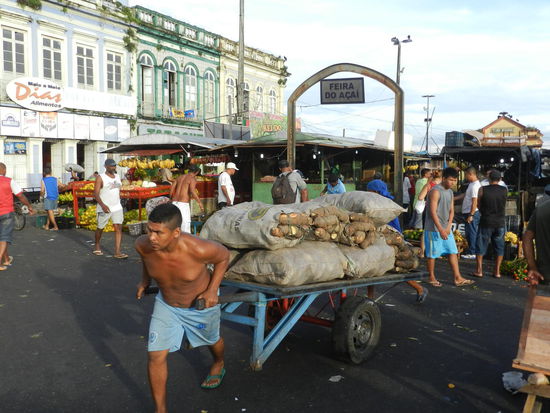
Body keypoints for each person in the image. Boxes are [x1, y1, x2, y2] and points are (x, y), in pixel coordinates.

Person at [135, 203, 230, 412]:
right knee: (155, 355)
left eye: (158, 233)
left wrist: (213, 290)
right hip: (166, 305)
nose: (152, 237)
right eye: (149, 230)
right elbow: (146, 260)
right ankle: (160, 410)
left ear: (176, 232)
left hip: (199, 305)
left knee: (212, 340)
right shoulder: (143, 245)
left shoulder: (198, 248)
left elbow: (223, 257)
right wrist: (145, 281)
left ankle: (219, 362)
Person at [367, 178, 428, 303]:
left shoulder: (386, 205)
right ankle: (370, 298)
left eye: (371, 191)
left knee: (397, 268)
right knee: (371, 270)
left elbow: (393, 228)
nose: (368, 193)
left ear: (378, 192)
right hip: (379, 239)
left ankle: (420, 288)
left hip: (392, 240)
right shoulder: (372, 204)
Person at [424, 167, 474, 287]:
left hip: (446, 228)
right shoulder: (435, 191)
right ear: (444, 178)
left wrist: (448, 226)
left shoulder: (450, 192)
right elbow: (432, 212)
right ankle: (431, 277)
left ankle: (458, 277)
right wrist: (440, 229)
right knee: (432, 254)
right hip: (433, 229)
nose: (453, 182)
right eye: (451, 180)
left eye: (455, 180)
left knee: (452, 251)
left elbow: (452, 210)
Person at [0, 162, 35, 270]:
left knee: (1, 237)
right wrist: (29, 206)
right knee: (4, 237)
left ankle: (6, 259)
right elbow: (20, 196)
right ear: (4, 170)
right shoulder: (9, 181)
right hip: (6, 212)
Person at [473, 170, 507, 278]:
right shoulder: (504, 190)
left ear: (489, 179)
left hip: (486, 221)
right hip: (500, 222)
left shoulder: (482, 189)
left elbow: (478, 204)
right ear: (500, 179)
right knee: (499, 246)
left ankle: (479, 270)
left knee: (481, 245)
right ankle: (497, 271)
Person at [93, 158, 127, 258]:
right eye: (111, 166)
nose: (113, 167)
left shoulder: (117, 176)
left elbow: (118, 189)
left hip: (117, 207)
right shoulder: (101, 177)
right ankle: (97, 245)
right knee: (100, 228)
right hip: (105, 207)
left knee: (118, 228)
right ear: (106, 167)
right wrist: (103, 205)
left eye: (114, 166)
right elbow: (95, 193)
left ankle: (117, 251)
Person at [523, 198, 550, 286]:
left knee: (544, 299)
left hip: (544, 274)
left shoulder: (541, 209)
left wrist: (532, 267)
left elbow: (527, 238)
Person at [170, 165, 204, 233]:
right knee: (185, 225)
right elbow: (192, 191)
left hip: (174, 202)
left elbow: (171, 189)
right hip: (183, 204)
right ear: (196, 172)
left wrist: (170, 198)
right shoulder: (192, 179)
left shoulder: (179, 177)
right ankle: (185, 242)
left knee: (175, 224)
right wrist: (200, 203)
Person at [460, 167, 482, 259]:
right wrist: (454, 198)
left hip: (471, 212)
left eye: (466, 175)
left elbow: (475, 202)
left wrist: (471, 214)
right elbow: (465, 195)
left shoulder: (475, 186)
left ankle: (472, 252)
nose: (465, 176)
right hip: (468, 212)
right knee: (470, 232)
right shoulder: (471, 184)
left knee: (471, 232)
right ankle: (472, 251)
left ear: (471, 174)